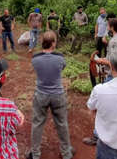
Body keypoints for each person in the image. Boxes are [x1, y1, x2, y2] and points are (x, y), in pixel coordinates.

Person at [27, 31, 74, 159]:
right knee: (62, 123)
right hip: (58, 95)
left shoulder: (35, 58)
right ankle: (66, 153)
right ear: (53, 43)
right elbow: (62, 67)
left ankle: (35, 154)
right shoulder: (60, 58)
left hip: (41, 94)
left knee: (37, 123)